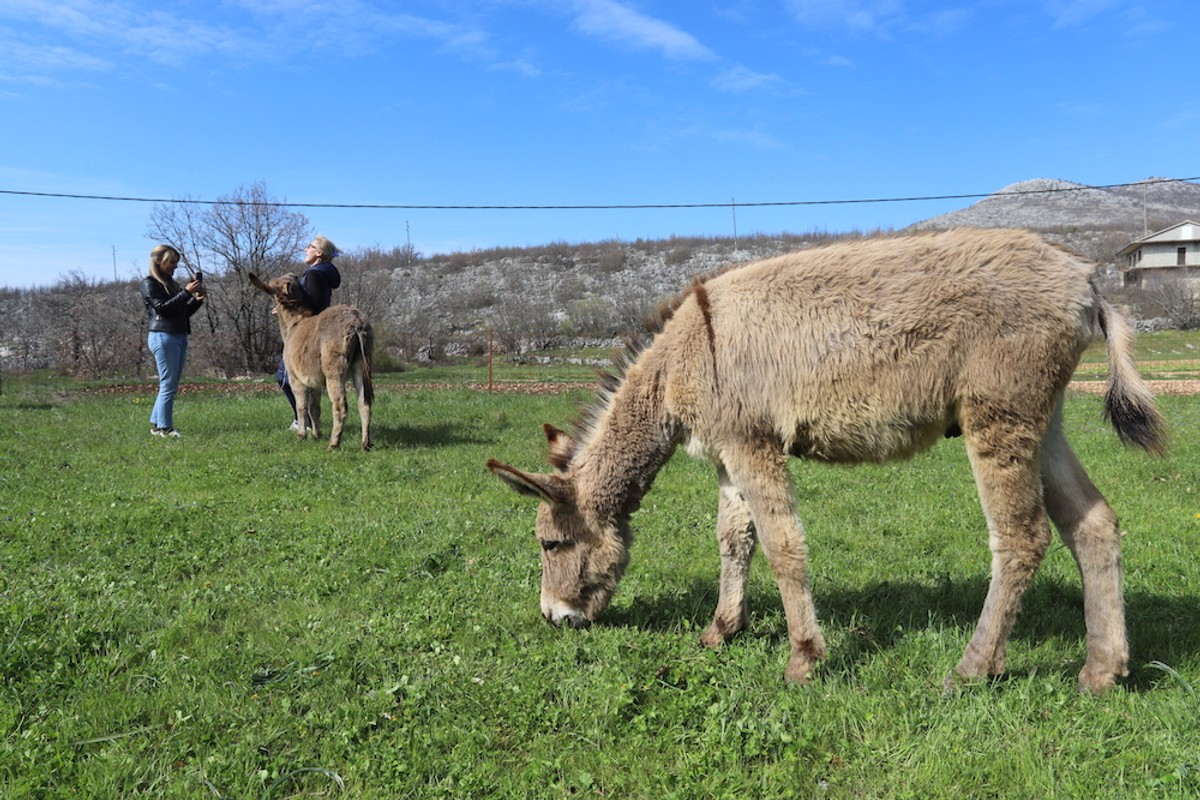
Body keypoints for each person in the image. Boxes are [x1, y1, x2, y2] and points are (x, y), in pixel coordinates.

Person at [276, 235, 342, 428]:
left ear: (319, 253)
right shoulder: (324, 273)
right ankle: (309, 421)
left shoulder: (313, 274)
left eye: (310, 246)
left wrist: (287, 308)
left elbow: (312, 304)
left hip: (305, 334)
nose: (306, 249)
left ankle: (301, 421)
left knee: (284, 377)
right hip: (318, 332)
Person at [139, 244, 205, 437]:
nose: (175, 267)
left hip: (178, 334)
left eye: (176, 263)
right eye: (172, 262)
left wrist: (197, 300)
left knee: (171, 383)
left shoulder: (171, 284)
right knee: (168, 383)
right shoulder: (149, 283)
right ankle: (165, 428)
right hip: (163, 336)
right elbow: (162, 308)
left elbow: (182, 313)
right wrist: (186, 293)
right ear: (160, 261)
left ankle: (156, 424)